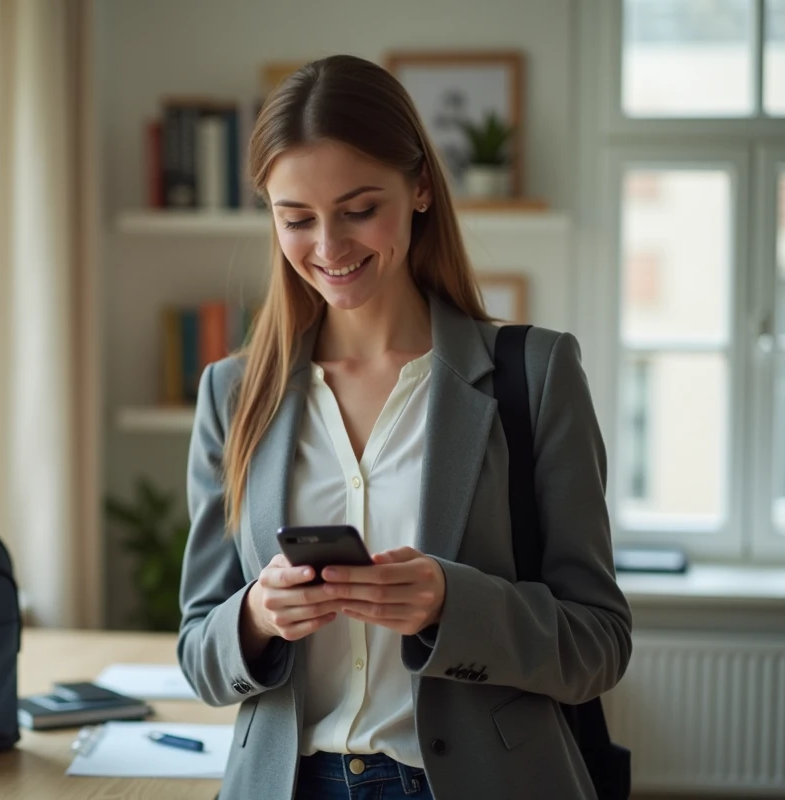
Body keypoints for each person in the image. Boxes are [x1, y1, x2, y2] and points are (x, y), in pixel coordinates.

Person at [176, 54, 632, 800]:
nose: (329, 248)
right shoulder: (232, 394)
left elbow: (600, 644)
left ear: (420, 187)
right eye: (296, 219)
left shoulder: (536, 374)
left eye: (359, 210)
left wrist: (453, 604)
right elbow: (199, 653)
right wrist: (255, 616)